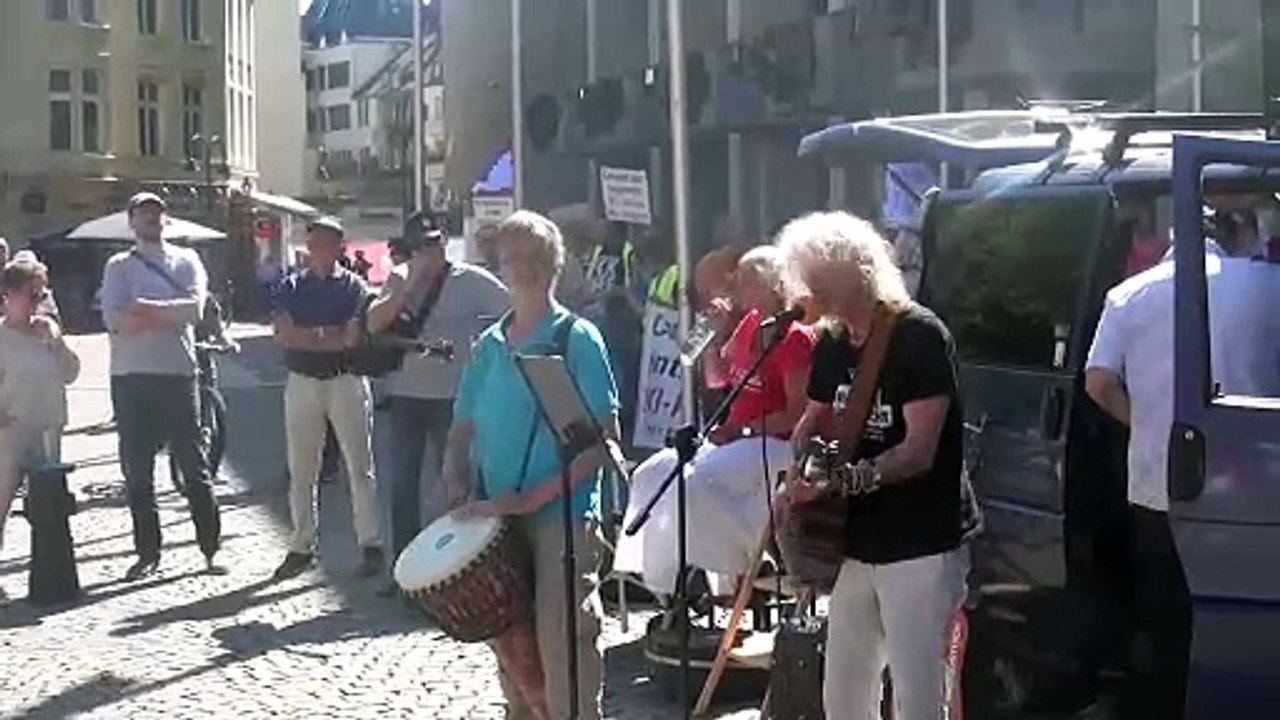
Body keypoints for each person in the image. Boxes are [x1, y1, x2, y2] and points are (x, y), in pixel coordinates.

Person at [776, 212, 969, 720]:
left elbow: (918, 450)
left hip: (919, 539)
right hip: (854, 541)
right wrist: (801, 476)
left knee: (918, 692)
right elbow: (811, 425)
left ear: (855, 272)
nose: (809, 288)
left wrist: (847, 480)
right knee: (844, 693)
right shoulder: (834, 344)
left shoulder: (919, 336)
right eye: (806, 277)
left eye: (820, 277)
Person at [1084, 232, 1280, 719]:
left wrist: (1147, 423)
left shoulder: (1129, 294)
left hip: (1162, 481)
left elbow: (1098, 382)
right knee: (1248, 616)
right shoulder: (1267, 284)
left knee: (1169, 618)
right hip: (1254, 481)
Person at [446, 210, 619, 720]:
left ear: (552, 265)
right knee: (513, 655)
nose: (519, 266)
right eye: (510, 256)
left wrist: (530, 500)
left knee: (563, 647)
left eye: (531, 256)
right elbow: (461, 427)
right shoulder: (488, 346)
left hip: (562, 519)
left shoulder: (577, 338)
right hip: (498, 519)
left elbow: (602, 446)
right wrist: (453, 475)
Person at [614, 246, 814, 596]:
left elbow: (798, 414)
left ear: (774, 286)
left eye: (748, 281)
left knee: (694, 484)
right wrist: (714, 338)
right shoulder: (749, 325)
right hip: (736, 439)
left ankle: (741, 564)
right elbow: (717, 380)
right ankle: (662, 584)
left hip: (773, 444)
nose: (737, 289)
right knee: (651, 474)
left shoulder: (794, 337)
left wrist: (741, 428)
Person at [366, 210, 507, 575]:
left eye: (434, 243)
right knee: (402, 484)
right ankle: (403, 567)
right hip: (406, 396)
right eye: (421, 246)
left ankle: (455, 565)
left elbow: (512, 310)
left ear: (445, 242)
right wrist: (411, 285)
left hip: (453, 398)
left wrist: (487, 355)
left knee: (454, 480)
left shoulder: (471, 280)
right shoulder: (399, 278)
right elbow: (373, 323)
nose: (429, 252)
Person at [101, 192, 224, 580]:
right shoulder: (118, 266)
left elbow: (194, 310)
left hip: (178, 375)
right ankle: (147, 552)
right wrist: (166, 311)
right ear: (132, 220)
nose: (151, 218)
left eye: (157, 212)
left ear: (165, 219)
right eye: (144, 213)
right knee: (137, 471)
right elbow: (115, 319)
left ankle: (209, 547)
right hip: (131, 377)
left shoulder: (187, 260)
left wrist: (145, 307)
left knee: (195, 465)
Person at [270, 216, 382, 581]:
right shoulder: (290, 286)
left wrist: (313, 335)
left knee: (360, 468)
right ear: (309, 245)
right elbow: (285, 336)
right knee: (302, 470)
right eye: (316, 242)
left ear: (340, 247)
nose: (321, 249)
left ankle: (370, 543)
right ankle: (302, 545)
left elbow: (350, 338)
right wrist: (324, 334)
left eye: (329, 242)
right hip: (302, 380)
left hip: (345, 379)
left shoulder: (353, 287)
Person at [0, 259, 80, 601]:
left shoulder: (47, 329)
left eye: (40, 294)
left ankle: (51, 577)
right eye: (29, 295)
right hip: (10, 431)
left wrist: (57, 344)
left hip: (48, 428)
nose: (35, 302)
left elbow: (71, 373)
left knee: (47, 507)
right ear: (7, 296)